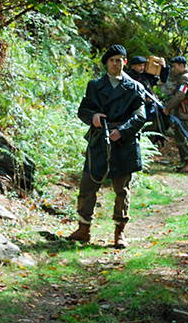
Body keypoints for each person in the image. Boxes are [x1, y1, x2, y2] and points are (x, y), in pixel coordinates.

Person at [67, 45, 147, 248]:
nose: (115, 63)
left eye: (119, 59)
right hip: (98, 140)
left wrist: (123, 130)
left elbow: (140, 115)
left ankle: (120, 232)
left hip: (124, 142)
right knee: (87, 185)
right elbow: (83, 109)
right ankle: (83, 228)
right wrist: (92, 117)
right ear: (106, 63)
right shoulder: (94, 85)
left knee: (122, 190)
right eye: (112, 60)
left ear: (125, 62)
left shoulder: (136, 87)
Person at [163, 56, 188, 173]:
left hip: (184, 112)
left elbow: (180, 95)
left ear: (182, 66)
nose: (172, 69)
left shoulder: (184, 78)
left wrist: (168, 107)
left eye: (174, 66)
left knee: (181, 135)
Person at [127, 55, 170, 145]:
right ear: (133, 66)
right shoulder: (128, 77)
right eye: (139, 66)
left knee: (153, 129)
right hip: (136, 107)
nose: (142, 68)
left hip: (150, 108)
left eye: (143, 65)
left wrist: (164, 67)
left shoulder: (147, 76)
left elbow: (162, 80)